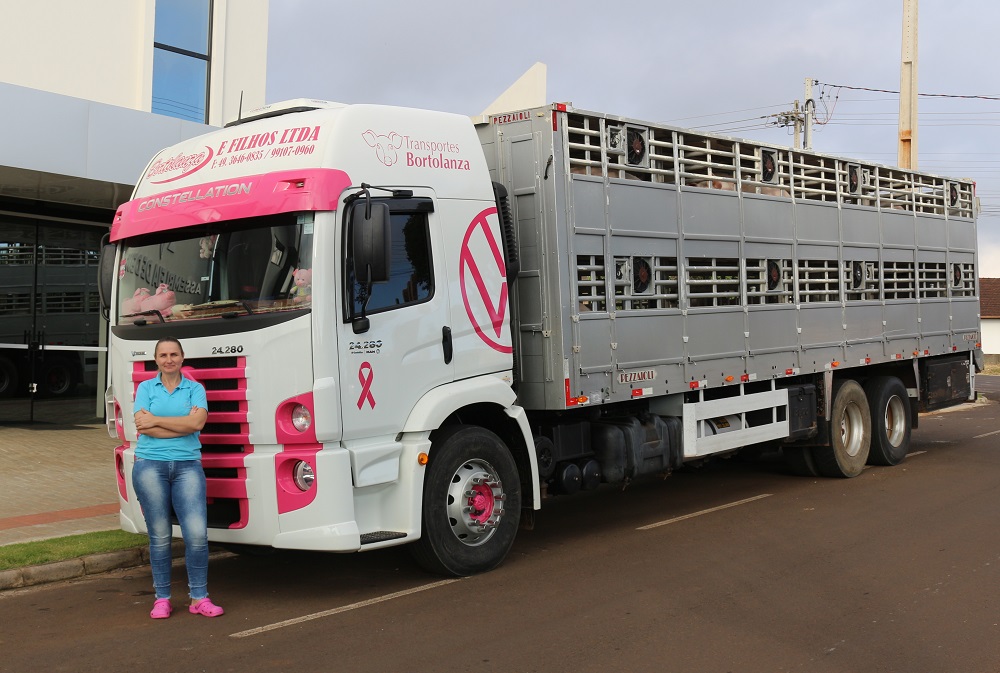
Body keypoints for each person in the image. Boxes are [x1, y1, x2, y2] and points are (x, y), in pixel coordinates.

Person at [132, 337, 224, 619]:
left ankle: (199, 598)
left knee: (196, 535)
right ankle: (162, 599)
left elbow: (197, 423)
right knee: (159, 536)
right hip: (149, 466)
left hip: (188, 467)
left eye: (174, 354)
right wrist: (182, 425)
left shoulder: (195, 389)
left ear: (182, 358)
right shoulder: (146, 388)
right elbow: (142, 427)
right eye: (163, 355)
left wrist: (157, 420)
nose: (169, 359)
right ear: (156, 359)